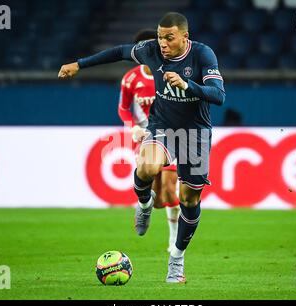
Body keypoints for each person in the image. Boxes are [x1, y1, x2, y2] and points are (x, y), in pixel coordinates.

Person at [59, 12, 225, 283]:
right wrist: (79, 64)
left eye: (169, 38)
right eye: (160, 37)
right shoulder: (151, 51)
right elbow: (120, 52)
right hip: (162, 127)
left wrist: (188, 85)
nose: (162, 43)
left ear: (185, 36)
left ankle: (176, 260)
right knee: (147, 166)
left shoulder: (203, 55)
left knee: (189, 200)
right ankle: (144, 203)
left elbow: (218, 95)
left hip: (195, 134)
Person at [118, 29, 181, 253]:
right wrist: (132, 127)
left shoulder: (168, 72)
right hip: (146, 137)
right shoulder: (131, 78)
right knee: (157, 200)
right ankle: (145, 205)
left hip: (171, 136)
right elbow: (124, 108)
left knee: (169, 189)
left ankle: (174, 240)